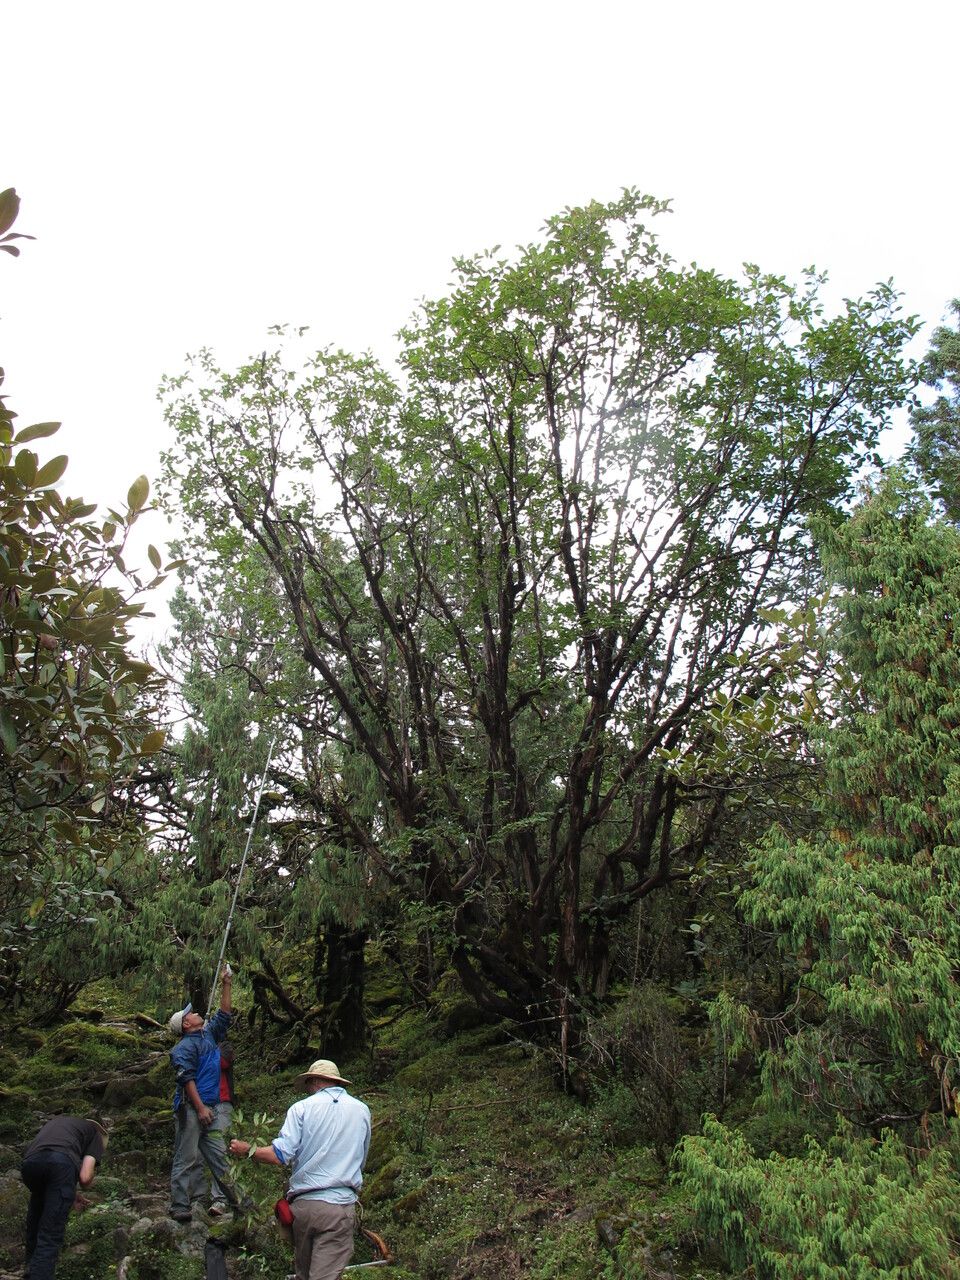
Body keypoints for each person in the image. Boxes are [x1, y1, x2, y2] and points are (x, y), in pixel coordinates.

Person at [229, 1058, 371, 1280]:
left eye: (308, 1084)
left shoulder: (301, 1108)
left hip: (303, 1207)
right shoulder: (362, 1110)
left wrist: (248, 1149)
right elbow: (361, 1158)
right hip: (339, 1205)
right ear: (337, 1082)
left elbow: (280, 1155)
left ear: (314, 1081)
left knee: (303, 1274)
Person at [167, 962, 251, 1223]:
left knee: (219, 1156)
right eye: (190, 1015)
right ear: (186, 1025)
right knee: (187, 1155)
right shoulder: (183, 1048)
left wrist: (227, 983)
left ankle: (239, 1202)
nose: (195, 1013)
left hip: (211, 1108)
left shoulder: (209, 1036)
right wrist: (201, 1108)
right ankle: (180, 1204)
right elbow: (186, 1078)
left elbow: (224, 1015)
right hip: (192, 1109)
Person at [20, 1114, 108, 1279]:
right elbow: (85, 1177)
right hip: (60, 1166)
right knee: (51, 1232)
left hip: (30, 1165)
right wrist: (86, 1178)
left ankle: (30, 1268)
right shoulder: (95, 1135)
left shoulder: (63, 1124)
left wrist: (70, 1192)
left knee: (37, 1218)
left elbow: (48, 1159)